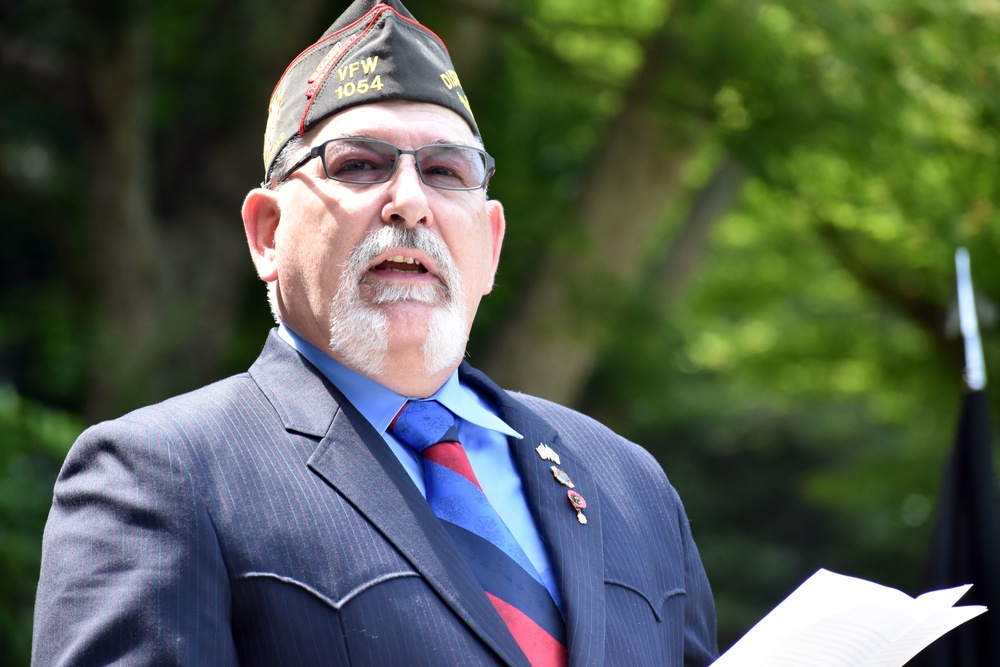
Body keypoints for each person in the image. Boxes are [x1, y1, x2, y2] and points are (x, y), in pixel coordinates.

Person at [32, 1, 717, 665]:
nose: (410, 201)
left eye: (446, 171)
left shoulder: (630, 484)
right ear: (267, 234)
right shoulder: (162, 475)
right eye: (359, 164)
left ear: (492, 242)